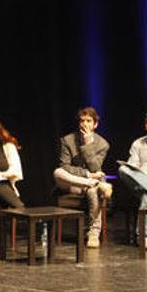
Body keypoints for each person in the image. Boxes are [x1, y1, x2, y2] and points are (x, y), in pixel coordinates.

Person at [53, 106, 112, 248]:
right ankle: (93, 184)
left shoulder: (103, 144)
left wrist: (87, 145)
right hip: (72, 183)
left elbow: (95, 166)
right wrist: (88, 176)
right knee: (57, 172)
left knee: (92, 191)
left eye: (89, 121)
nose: (85, 124)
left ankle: (93, 233)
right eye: (82, 120)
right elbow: (65, 167)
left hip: (87, 187)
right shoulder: (67, 140)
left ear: (95, 124)